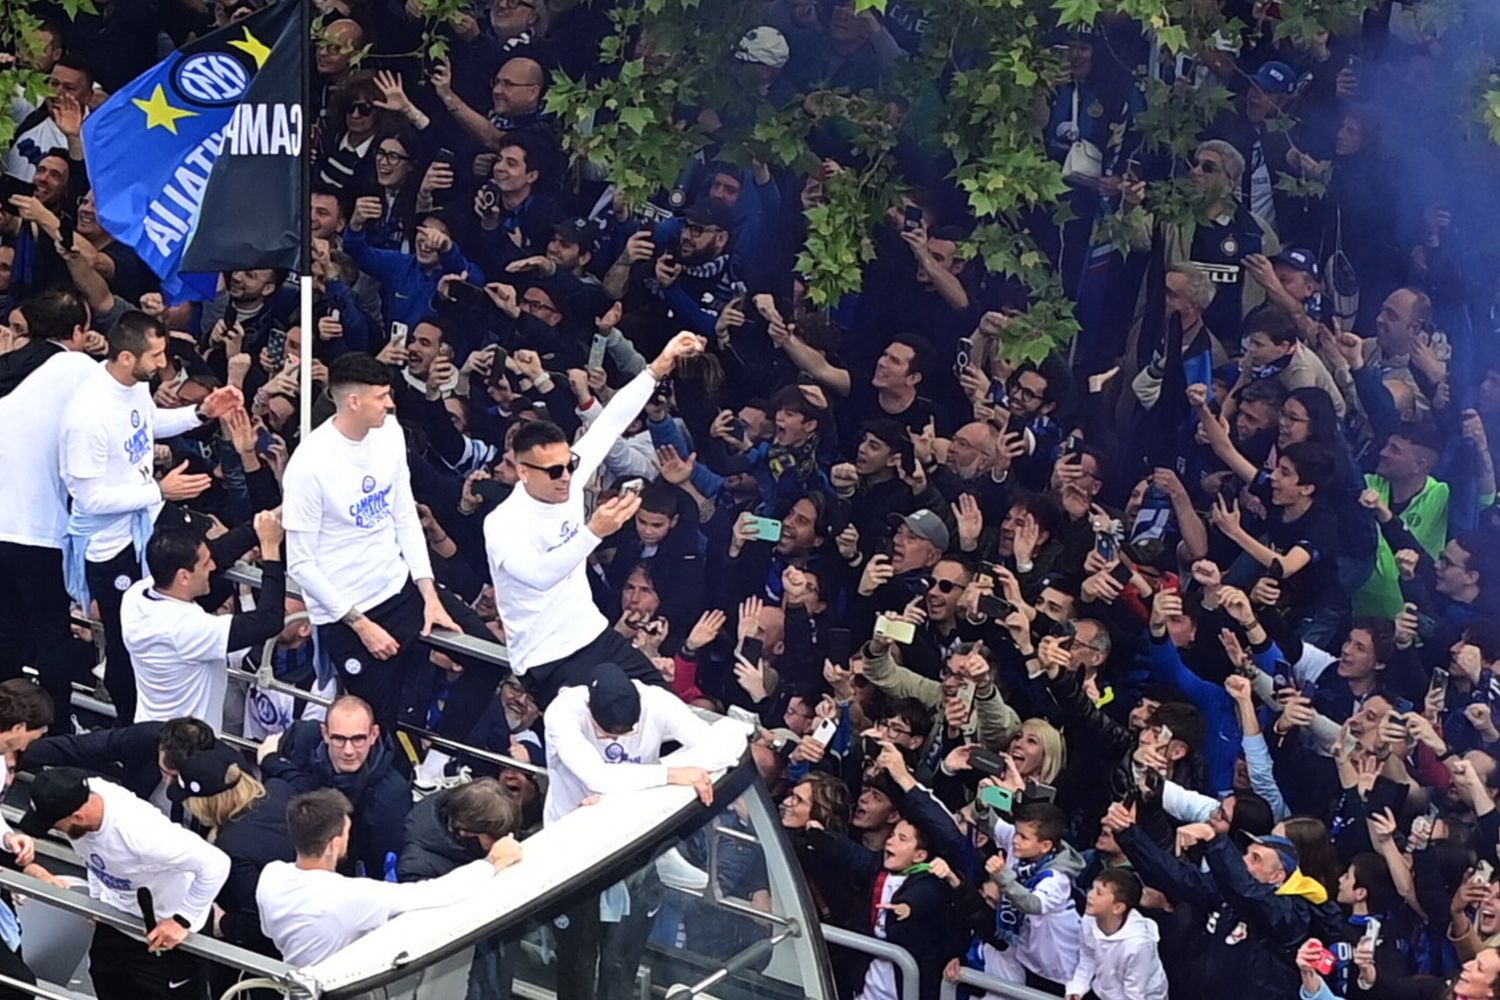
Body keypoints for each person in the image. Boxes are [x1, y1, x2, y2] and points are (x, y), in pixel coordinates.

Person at [484, 331, 706, 705]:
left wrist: (659, 365)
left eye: (569, 465)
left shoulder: (566, 474)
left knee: (665, 706)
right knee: (609, 729)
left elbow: (611, 421)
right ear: (524, 472)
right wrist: (593, 532)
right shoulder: (504, 523)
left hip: (593, 633)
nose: (567, 477)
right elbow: (539, 576)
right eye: (554, 471)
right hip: (546, 657)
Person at [59, 313, 242, 721]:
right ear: (126, 357)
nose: (163, 364)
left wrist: (201, 413)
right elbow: (88, 498)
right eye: (156, 355)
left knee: (206, 565)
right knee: (126, 644)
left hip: (146, 519)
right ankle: (130, 726)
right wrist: (159, 490)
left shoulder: (136, 387)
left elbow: (147, 424)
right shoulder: (87, 415)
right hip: (111, 545)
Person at [283, 352, 460, 728]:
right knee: (376, 727)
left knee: (482, 658)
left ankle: (439, 760)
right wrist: (360, 625)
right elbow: (300, 563)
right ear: (354, 401)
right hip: (349, 614)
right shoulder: (309, 464)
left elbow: (404, 514)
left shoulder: (390, 432)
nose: (390, 404)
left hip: (401, 590)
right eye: (382, 397)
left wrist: (428, 592)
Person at [18, 767, 231, 1000]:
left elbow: (216, 863)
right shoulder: (79, 794)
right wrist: (97, 899)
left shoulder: (143, 835)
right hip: (116, 919)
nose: (57, 830)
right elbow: (92, 856)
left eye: (57, 826)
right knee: (107, 983)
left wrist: (182, 920)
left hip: (166, 935)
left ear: (78, 816)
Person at [255, 788, 522, 966]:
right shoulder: (350, 896)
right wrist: (490, 863)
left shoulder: (271, 877)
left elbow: (268, 930)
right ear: (334, 845)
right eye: (347, 831)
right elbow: (437, 893)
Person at [121, 511, 287, 731]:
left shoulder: (136, 595)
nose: (213, 567)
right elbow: (269, 621)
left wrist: (269, 518)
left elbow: (219, 552)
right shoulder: (186, 628)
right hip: (188, 749)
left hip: (147, 731)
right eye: (206, 564)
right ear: (184, 577)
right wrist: (270, 549)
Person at [258, 695, 412, 879]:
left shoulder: (392, 794)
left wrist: (275, 764)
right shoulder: (302, 739)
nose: (348, 750)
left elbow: (383, 860)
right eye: (339, 739)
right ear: (325, 733)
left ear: (373, 735)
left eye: (358, 739)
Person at [1064, 868, 1169, 1000]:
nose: (1090, 895)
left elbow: (1135, 994)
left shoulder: (1137, 945)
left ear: (1118, 907)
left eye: (1099, 893)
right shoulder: (1089, 919)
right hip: (1105, 992)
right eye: (1092, 889)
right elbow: (1088, 956)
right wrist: (1077, 988)